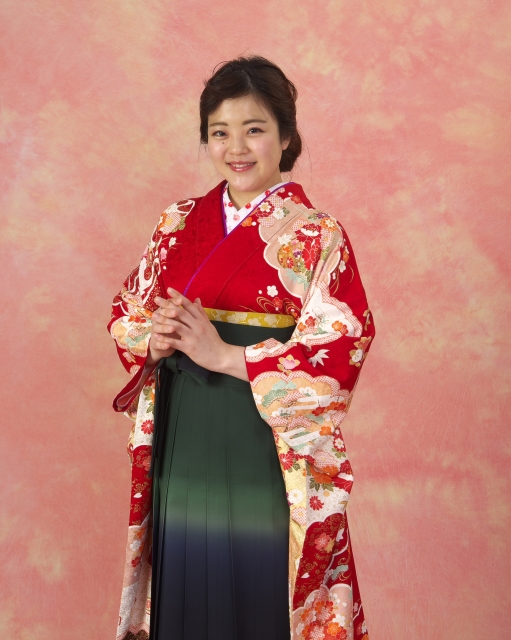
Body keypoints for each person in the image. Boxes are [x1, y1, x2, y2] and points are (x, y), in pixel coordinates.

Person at [109, 55, 375, 640]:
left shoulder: (317, 235)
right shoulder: (177, 223)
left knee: (260, 582)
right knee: (184, 578)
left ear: (286, 136)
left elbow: (342, 345)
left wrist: (227, 356)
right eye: (219, 132)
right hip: (184, 433)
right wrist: (154, 337)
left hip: (263, 441)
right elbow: (128, 310)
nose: (236, 148)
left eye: (254, 129)